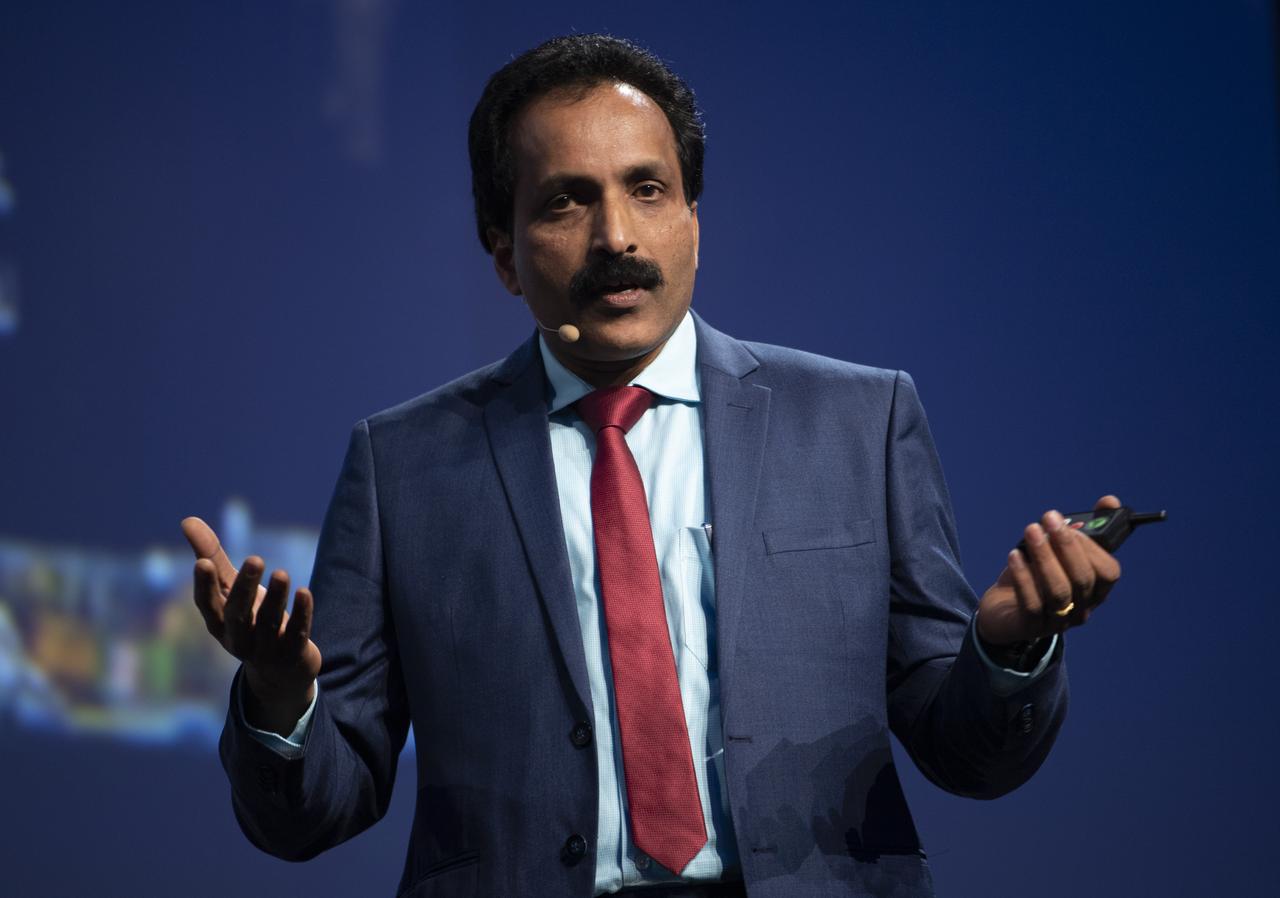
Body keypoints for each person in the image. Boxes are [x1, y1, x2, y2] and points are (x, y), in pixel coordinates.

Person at [181, 34, 1122, 898]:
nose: (618, 238)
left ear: (694, 221)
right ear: (503, 252)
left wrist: (1008, 651)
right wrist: (279, 693)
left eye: (648, 190)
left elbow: (970, 755)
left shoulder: (858, 420)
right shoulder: (402, 465)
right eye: (566, 200)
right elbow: (314, 812)